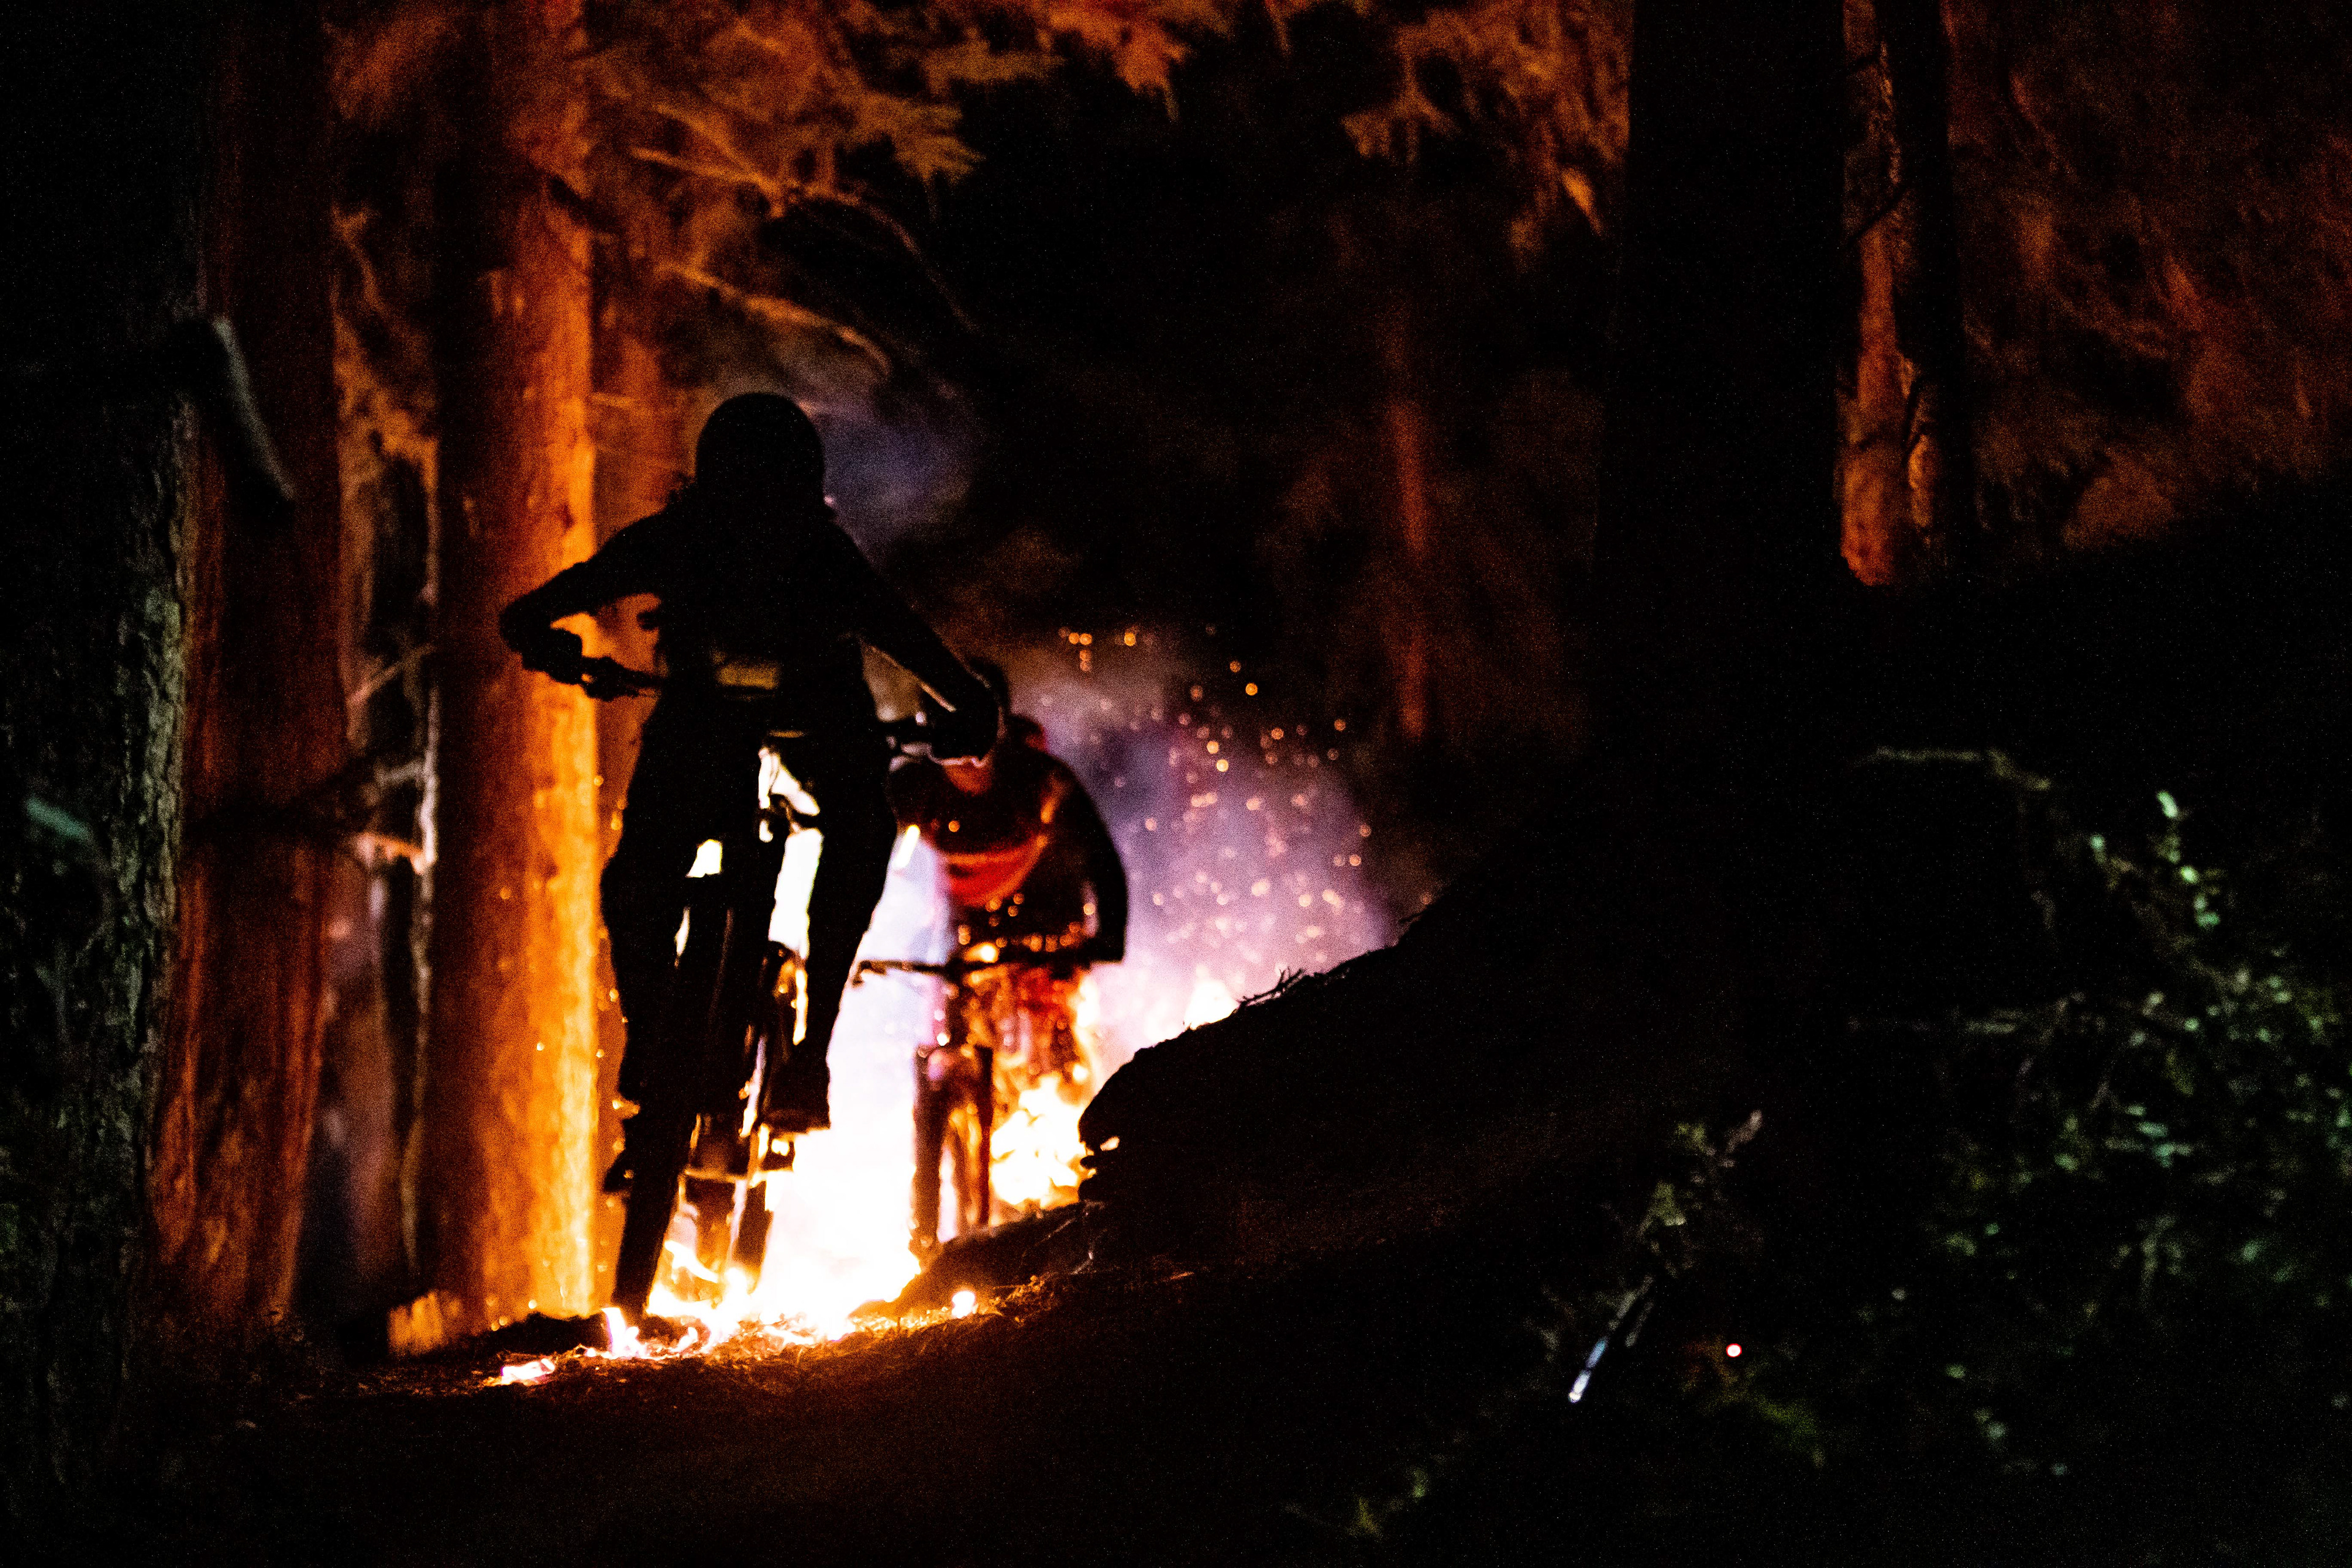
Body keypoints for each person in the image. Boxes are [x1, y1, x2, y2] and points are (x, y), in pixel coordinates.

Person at [499, 393, 997, 1159]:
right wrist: (965, 718)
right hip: (804, 723)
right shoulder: (819, 554)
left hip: (718, 718)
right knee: (851, 832)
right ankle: (788, 1053)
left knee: (643, 881)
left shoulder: (679, 537)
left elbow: (530, 613)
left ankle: (696, 1043)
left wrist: (560, 651)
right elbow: (930, 660)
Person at [888, 660, 1128, 1254]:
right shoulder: (916, 787)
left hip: (1048, 936)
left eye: (978, 748)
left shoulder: (1043, 780)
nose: (967, 765)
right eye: (951, 749)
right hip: (970, 940)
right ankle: (927, 1222)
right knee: (942, 1041)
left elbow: (1104, 863)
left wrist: (1103, 942)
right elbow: (862, 847)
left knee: (1061, 1058)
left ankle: (1081, 1182)